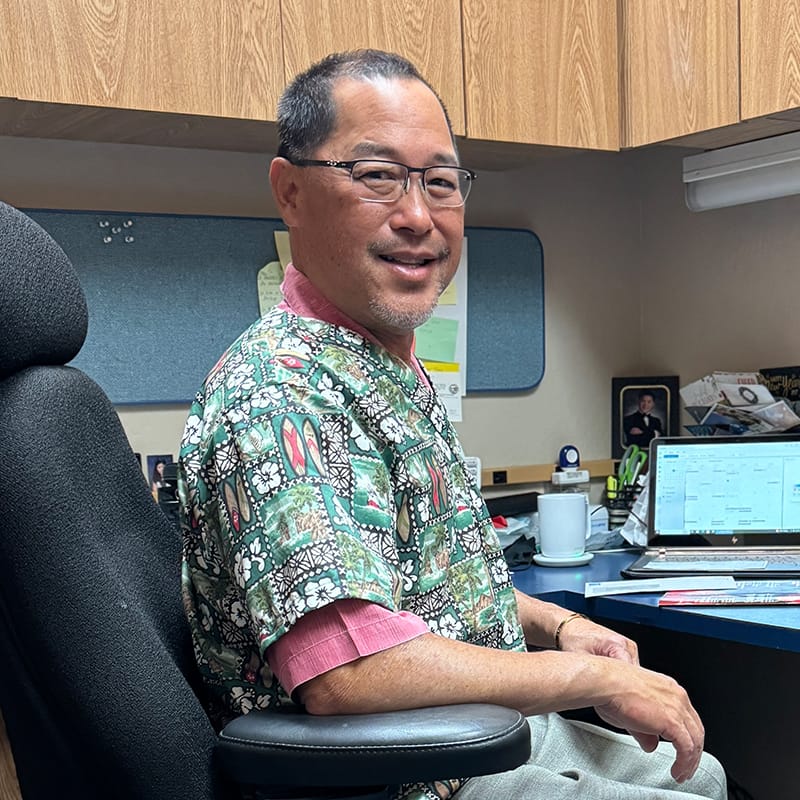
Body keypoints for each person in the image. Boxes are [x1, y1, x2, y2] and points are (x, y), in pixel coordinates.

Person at [177, 50, 727, 800]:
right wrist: (581, 676)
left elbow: (421, 592)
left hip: (465, 733)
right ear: (292, 191)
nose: (417, 216)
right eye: (376, 176)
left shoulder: (379, 363)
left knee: (700, 774)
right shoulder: (282, 388)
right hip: (404, 778)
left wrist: (559, 628)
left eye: (440, 182)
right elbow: (347, 671)